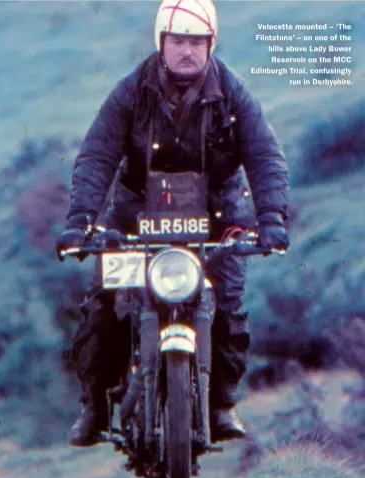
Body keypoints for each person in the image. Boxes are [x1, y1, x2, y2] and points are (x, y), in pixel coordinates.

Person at [56, 0, 290, 447]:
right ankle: (94, 406)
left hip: (217, 221)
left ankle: (221, 403)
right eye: (178, 41)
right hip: (135, 216)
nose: (186, 51)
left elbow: (265, 157)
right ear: (161, 44)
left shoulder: (233, 93)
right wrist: (81, 220)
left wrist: (272, 219)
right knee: (104, 306)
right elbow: (97, 154)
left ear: (211, 45)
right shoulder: (131, 91)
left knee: (227, 306)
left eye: (196, 42)